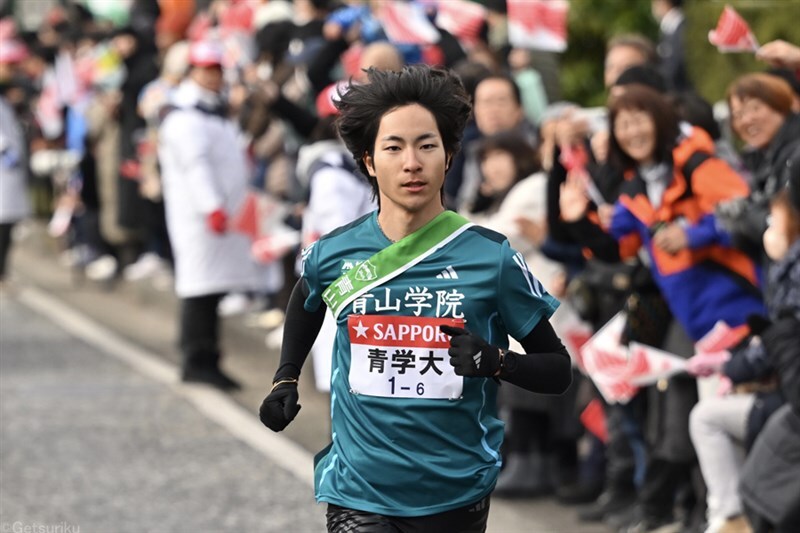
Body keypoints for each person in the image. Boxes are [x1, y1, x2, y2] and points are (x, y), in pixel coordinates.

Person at [258, 65, 572, 531]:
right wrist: (285, 378)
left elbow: (558, 370)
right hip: (359, 491)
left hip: (454, 493)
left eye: (427, 145)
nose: (412, 162)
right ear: (368, 160)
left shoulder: (491, 257)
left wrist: (496, 361)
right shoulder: (335, 254)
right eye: (394, 147)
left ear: (448, 157)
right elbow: (308, 297)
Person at [560, 85, 767, 531]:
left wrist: (693, 234)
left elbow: (751, 214)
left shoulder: (697, 164)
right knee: (693, 426)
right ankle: (713, 516)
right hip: (695, 325)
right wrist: (578, 220)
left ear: (660, 118)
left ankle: (733, 517)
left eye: (640, 118)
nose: (632, 130)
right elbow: (619, 248)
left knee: (727, 425)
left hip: (740, 317)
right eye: (622, 122)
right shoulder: (636, 186)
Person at [688, 188, 800, 533]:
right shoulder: (785, 274)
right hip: (784, 394)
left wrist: (735, 366)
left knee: (707, 417)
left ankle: (730, 518)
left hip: (788, 402)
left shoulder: (793, 278)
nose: (767, 229)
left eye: (774, 221)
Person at [158, 40, 259, 389]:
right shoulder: (184, 115)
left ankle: (206, 356)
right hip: (201, 217)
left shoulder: (213, 111)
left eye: (217, 70)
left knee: (212, 288)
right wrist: (211, 207)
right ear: (192, 71)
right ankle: (196, 358)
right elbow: (195, 166)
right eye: (206, 70)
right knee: (199, 286)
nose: (213, 77)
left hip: (224, 214)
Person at [0, 93, 29, 287]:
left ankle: (2, 272)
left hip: (9, 173)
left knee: (7, 226)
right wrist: (6, 153)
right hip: (4, 171)